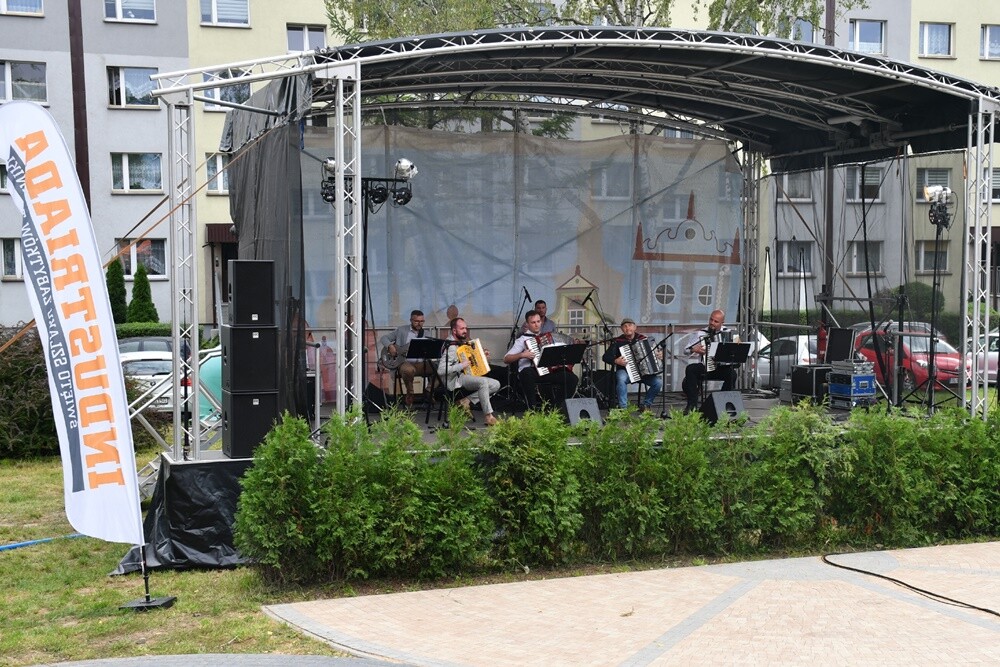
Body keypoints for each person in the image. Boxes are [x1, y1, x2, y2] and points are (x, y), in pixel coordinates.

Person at [505, 310, 578, 410]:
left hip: (547, 372)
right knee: (526, 372)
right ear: (527, 324)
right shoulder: (522, 340)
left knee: (572, 378)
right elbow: (506, 359)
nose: (536, 325)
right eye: (533, 322)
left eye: (538, 321)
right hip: (532, 373)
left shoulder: (548, 337)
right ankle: (532, 409)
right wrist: (522, 354)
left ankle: (556, 408)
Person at [438, 318, 500, 426]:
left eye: (465, 328)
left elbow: (470, 360)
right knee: (483, 383)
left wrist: (482, 356)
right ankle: (488, 416)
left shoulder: (460, 342)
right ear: (454, 331)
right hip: (453, 380)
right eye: (462, 328)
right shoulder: (451, 346)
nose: (465, 331)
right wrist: (461, 365)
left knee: (495, 384)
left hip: (462, 375)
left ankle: (466, 401)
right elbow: (441, 370)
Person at [681, 309, 737, 414]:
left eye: (716, 321)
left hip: (722, 369)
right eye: (711, 320)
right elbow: (685, 350)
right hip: (706, 367)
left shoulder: (730, 333)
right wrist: (693, 349)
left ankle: (722, 404)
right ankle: (692, 405)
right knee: (691, 369)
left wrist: (738, 344)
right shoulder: (701, 333)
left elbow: (738, 348)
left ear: (722, 323)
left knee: (732, 374)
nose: (712, 323)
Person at [602, 317, 662, 412]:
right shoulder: (617, 341)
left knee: (658, 383)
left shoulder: (643, 339)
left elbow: (658, 352)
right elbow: (605, 357)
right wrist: (616, 360)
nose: (627, 328)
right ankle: (623, 408)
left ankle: (646, 405)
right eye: (625, 326)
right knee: (621, 379)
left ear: (635, 327)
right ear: (622, 329)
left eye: (630, 325)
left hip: (644, 373)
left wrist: (660, 354)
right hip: (625, 371)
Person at [380, 309, 435, 407]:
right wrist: (390, 346)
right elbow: (384, 338)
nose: (419, 323)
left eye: (422, 321)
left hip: (421, 364)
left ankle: (429, 391)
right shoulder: (402, 330)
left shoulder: (427, 334)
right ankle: (410, 393)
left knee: (440, 368)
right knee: (408, 370)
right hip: (404, 362)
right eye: (416, 321)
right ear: (411, 320)